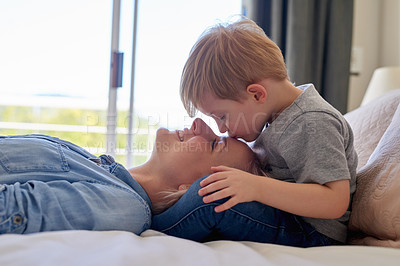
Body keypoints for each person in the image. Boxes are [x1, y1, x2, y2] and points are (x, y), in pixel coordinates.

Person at [153, 18, 357, 246]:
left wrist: (255, 186)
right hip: (287, 216)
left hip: (311, 232)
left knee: (213, 198)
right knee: (214, 190)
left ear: (257, 95)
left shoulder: (310, 121)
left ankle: (152, 227)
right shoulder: (275, 115)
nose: (221, 129)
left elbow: (335, 200)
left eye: (222, 116)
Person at [0, 118, 259, 235]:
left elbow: (12, 211)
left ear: (191, 187)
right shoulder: (95, 165)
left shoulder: (125, 207)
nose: (199, 124)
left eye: (214, 144)